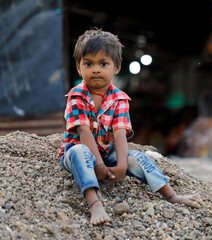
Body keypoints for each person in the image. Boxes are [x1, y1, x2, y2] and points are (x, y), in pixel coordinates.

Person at [59, 28, 201, 225]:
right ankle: (95, 204)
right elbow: (83, 131)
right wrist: (99, 166)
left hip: (107, 152)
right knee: (79, 151)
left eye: (103, 63)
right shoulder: (76, 96)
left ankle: (171, 195)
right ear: (78, 68)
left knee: (138, 158)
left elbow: (119, 135)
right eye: (88, 64)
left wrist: (122, 166)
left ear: (116, 68)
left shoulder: (120, 99)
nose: (96, 69)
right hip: (78, 152)